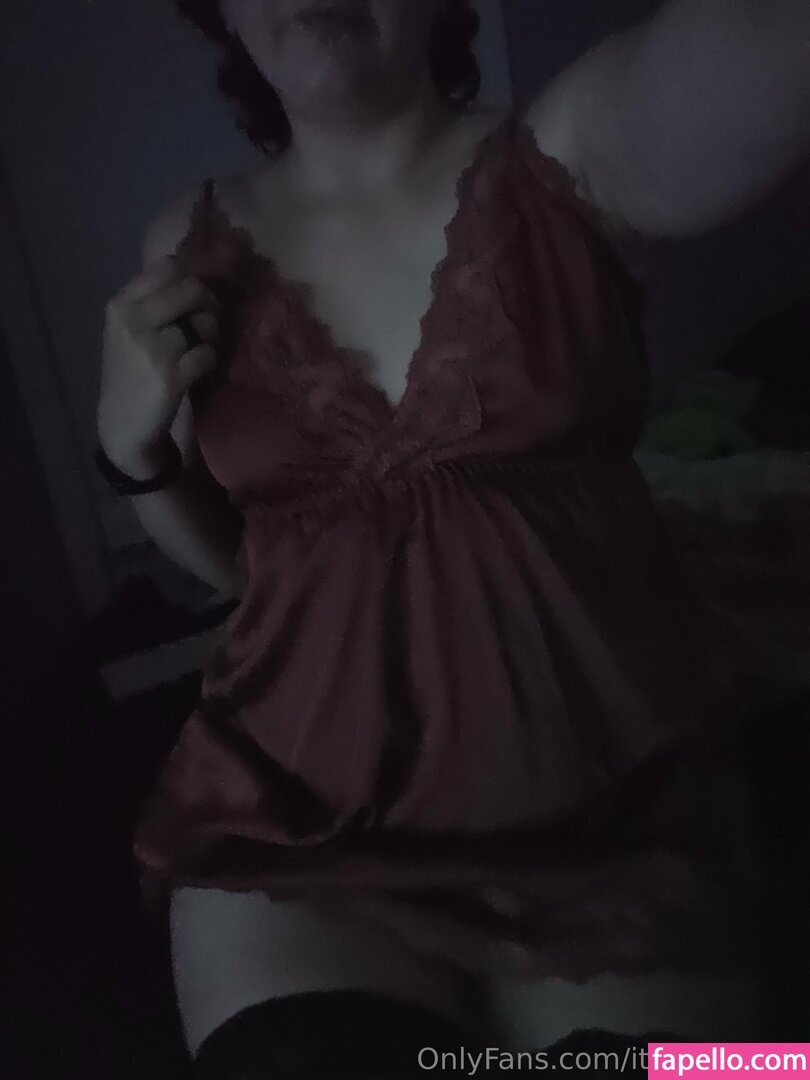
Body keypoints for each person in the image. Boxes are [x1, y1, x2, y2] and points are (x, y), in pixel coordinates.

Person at [96, 0, 810, 1074]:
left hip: (612, 823)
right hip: (292, 818)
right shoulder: (183, 240)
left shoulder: (570, 151)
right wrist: (130, 447)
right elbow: (254, 571)